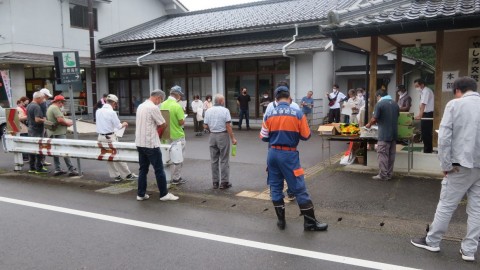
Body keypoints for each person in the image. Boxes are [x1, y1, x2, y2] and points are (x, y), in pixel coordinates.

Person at [410, 77, 480, 262]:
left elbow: (444, 138)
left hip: (459, 165)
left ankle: (432, 241)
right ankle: (469, 249)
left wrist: (446, 164)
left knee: (447, 204)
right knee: (477, 209)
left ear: (458, 90)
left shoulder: (455, 105)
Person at [260, 85, 328, 232]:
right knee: (299, 187)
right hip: (289, 155)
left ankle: (281, 221)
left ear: (276, 99)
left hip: (272, 154)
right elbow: (306, 136)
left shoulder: (269, 113)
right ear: (289, 98)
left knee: (275, 187)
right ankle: (310, 223)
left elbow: (264, 137)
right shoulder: (297, 113)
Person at [135, 89, 178, 202]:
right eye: (160, 100)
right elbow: (163, 123)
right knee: (159, 169)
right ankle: (164, 194)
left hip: (140, 142)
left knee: (143, 169)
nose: (160, 103)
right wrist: (159, 133)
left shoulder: (141, 106)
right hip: (151, 143)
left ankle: (141, 194)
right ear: (158, 97)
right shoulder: (153, 108)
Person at [96, 94, 138, 182]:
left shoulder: (98, 111)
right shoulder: (112, 113)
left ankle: (116, 176)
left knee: (109, 156)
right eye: (116, 104)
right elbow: (118, 126)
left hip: (100, 137)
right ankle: (127, 175)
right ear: (114, 103)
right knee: (119, 155)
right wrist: (124, 124)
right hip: (110, 137)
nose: (116, 105)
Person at [204, 94, 237, 189]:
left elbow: (205, 125)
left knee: (214, 160)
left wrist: (211, 129)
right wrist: (233, 138)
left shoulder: (208, 111)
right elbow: (228, 126)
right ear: (221, 101)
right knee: (224, 159)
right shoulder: (225, 110)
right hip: (223, 135)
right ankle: (224, 182)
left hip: (212, 136)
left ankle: (215, 182)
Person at [365, 89, 399, 181]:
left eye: (377, 97)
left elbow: (374, 118)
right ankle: (389, 174)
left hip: (384, 134)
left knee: (382, 154)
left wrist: (369, 124)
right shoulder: (395, 103)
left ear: (379, 96)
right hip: (394, 134)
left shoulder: (380, 104)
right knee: (391, 155)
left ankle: (383, 175)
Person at [46, 95, 80, 177]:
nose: (62, 105)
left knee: (55, 152)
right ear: (59, 102)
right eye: (62, 103)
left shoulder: (50, 107)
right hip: (58, 133)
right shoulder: (55, 108)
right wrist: (67, 124)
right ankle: (71, 169)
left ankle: (58, 169)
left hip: (52, 132)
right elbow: (60, 120)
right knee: (65, 150)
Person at [160, 85, 187, 185]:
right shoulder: (177, 106)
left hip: (165, 135)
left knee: (166, 157)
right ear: (178, 95)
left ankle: (166, 176)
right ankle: (176, 178)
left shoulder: (162, 104)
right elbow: (181, 122)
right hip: (177, 135)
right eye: (180, 95)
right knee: (178, 157)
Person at [27, 91, 48, 174]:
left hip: (31, 129)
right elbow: (37, 119)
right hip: (37, 130)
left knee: (32, 149)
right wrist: (45, 120)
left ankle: (32, 167)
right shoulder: (36, 107)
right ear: (38, 98)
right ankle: (39, 167)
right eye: (42, 98)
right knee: (39, 149)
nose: (43, 100)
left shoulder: (29, 106)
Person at [414, 78, 434, 153]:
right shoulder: (422, 92)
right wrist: (420, 114)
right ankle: (427, 148)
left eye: (417, 86)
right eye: (415, 86)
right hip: (425, 114)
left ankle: (428, 150)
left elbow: (423, 104)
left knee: (426, 132)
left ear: (422, 84)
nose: (416, 88)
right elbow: (421, 105)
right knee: (424, 132)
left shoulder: (426, 91)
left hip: (428, 113)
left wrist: (420, 115)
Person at [39, 88, 53, 166]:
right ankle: (42, 161)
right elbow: (44, 116)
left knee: (41, 143)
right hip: (42, 126)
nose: (47, 98)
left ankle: (41, 161)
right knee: (43, 143)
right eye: (47, 96)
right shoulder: (43, 103)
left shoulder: (35, 103)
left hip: (39, 126)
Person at [16, 97, 29, 161]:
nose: (26, 104)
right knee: (24, 141)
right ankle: (25, 156)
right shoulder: (18, 109)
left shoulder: (23, 108)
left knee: (25, 141)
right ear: (21, 102)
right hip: (22, 127)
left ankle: (26, 156)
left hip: (25, 127)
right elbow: (19, 118)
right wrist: (28, 116)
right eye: (25, 103)